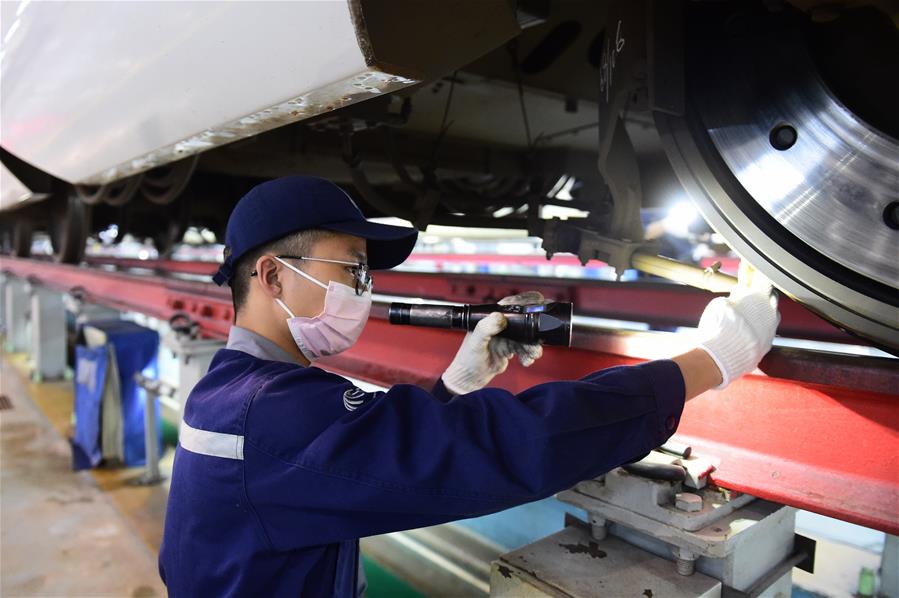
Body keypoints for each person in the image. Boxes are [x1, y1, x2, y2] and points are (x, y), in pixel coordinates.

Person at [159, 176, 779, 597]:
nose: (363, 289)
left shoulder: (231, 392)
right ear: (271, 274)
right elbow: (498, 448)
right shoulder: (271, 414)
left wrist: (455, 387)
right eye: (351, 266)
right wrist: (709, 362)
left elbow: (355, 457)